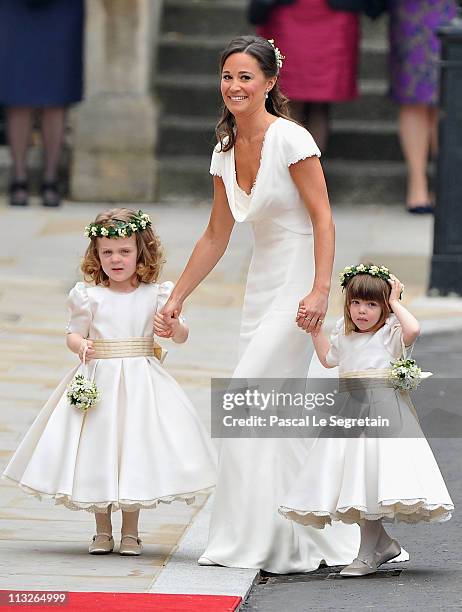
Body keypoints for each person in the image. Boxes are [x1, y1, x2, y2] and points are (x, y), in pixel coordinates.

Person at [155, 35, 361, 573]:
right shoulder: (224, 150)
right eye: (228, 76)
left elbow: (323, 217)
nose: (235, 86)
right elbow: (216, 235)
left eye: (246, 77)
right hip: (261, 286)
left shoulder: (292, 139)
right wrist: (176, 298)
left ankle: (257, 539)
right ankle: (297, 534)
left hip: (297, 286)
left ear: (270, 83)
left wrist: (320, 290)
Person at [3, 208, 216, 556]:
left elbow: (181, 334)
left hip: (141, 384)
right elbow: (73, 334)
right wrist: (81, 345)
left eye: (124, 251)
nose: (116, 259)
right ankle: (102, 530)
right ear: (96, 255)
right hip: (99, 381)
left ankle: (130, 532)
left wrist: (174, 328)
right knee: (98, 450)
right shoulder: (88, 296)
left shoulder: (157, 294)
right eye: (107, 252)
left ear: (141, 252)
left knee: (133, 450)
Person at [280, 265, 454, 576]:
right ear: (347, 304)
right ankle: (380, 545)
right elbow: (328, 359)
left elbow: (413, 330)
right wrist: (314, 330)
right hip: (349, 413)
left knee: (371, 476)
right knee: (356, 480)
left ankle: (367, 554)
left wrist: (396, 300)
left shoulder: (390, 333)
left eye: (372, 304)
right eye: (356, 303)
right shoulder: (343, 334)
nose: (362, 311)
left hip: (383, 415)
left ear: (384, 307)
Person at [0, 0, 85, 207]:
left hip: (62, 9)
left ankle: (51, 179)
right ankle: (18, 177)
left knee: (57, 91)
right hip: (14, 8)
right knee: (17, 90)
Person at [256, 0, 360, 152]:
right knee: (292, 99)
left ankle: (304, 170)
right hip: (289, 14)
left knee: (314, 101)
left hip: (331, 15)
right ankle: (295, 168)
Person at [388, 0, 457, 214]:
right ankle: (417, 183)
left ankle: (446, 183)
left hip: (451, 8)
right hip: (412, 9)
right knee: (413, 92)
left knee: (448, 93)